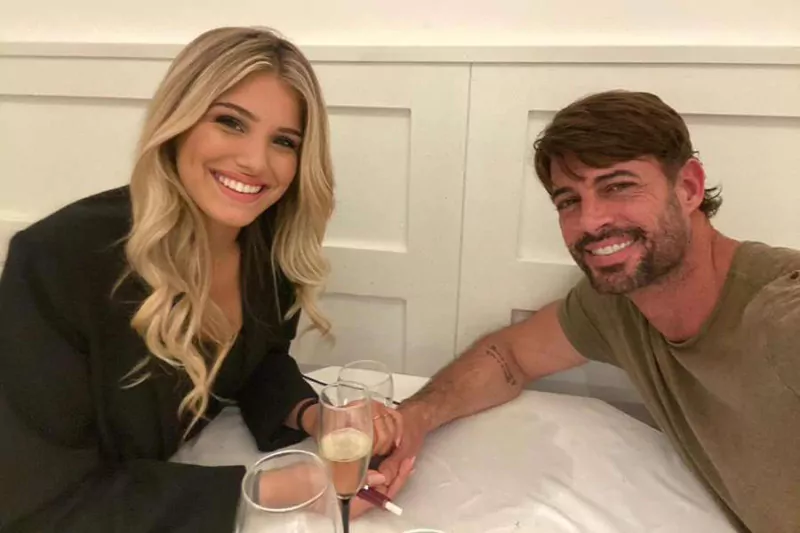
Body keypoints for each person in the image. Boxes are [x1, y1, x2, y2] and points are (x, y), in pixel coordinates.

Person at [0, 26, 410, 533]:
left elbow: (255, 362)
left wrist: (311, 414)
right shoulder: (56, 260)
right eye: (230, 122)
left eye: (284, 141)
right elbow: (36, 500)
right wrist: (275, 488)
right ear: (178, 121)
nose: (256, 161)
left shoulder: (266, 244)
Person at [379, 90, 800, 533]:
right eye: (568, 201)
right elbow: (510, 356)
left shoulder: (783, 316)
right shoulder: (617, 302)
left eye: (618, 186)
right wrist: (412, 420)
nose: (590, 221)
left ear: (689, 188)